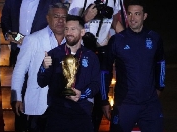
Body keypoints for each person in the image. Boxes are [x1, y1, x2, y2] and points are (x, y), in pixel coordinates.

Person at [61, 0, 125, 131]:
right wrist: (85, 18)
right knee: (78, 96)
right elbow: (66, 26)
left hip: (102, 52)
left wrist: (130, 40)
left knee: (100, 97)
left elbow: (113, 20)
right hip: (80, 53)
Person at [1, 0, 61, 131]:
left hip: (41, 53)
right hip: (19, 52)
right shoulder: (12, 2)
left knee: (41, 92)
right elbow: (6, 23)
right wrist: (20, 39)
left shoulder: (51, 2)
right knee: (19, 99)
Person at [107, 0, 165, 131]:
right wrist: (105, 100)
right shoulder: (117, 40)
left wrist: (160, 87)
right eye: (129, 14)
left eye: (137, 14)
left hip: (150, 104)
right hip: (124, 104)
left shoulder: (154, 38)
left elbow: (160, 64)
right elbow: (105, 70)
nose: (132, 18)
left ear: (144, 16)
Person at [37, 15, 101, 132]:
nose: (68, 32)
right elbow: (41, 82)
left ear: (82, 32)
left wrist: (81, 94)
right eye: (66, 29)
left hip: (82, 112)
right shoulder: (53, 54)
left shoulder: (91, 56)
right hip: (58, 113)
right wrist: (44, 67)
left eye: (73, 29)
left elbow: (96, 84)